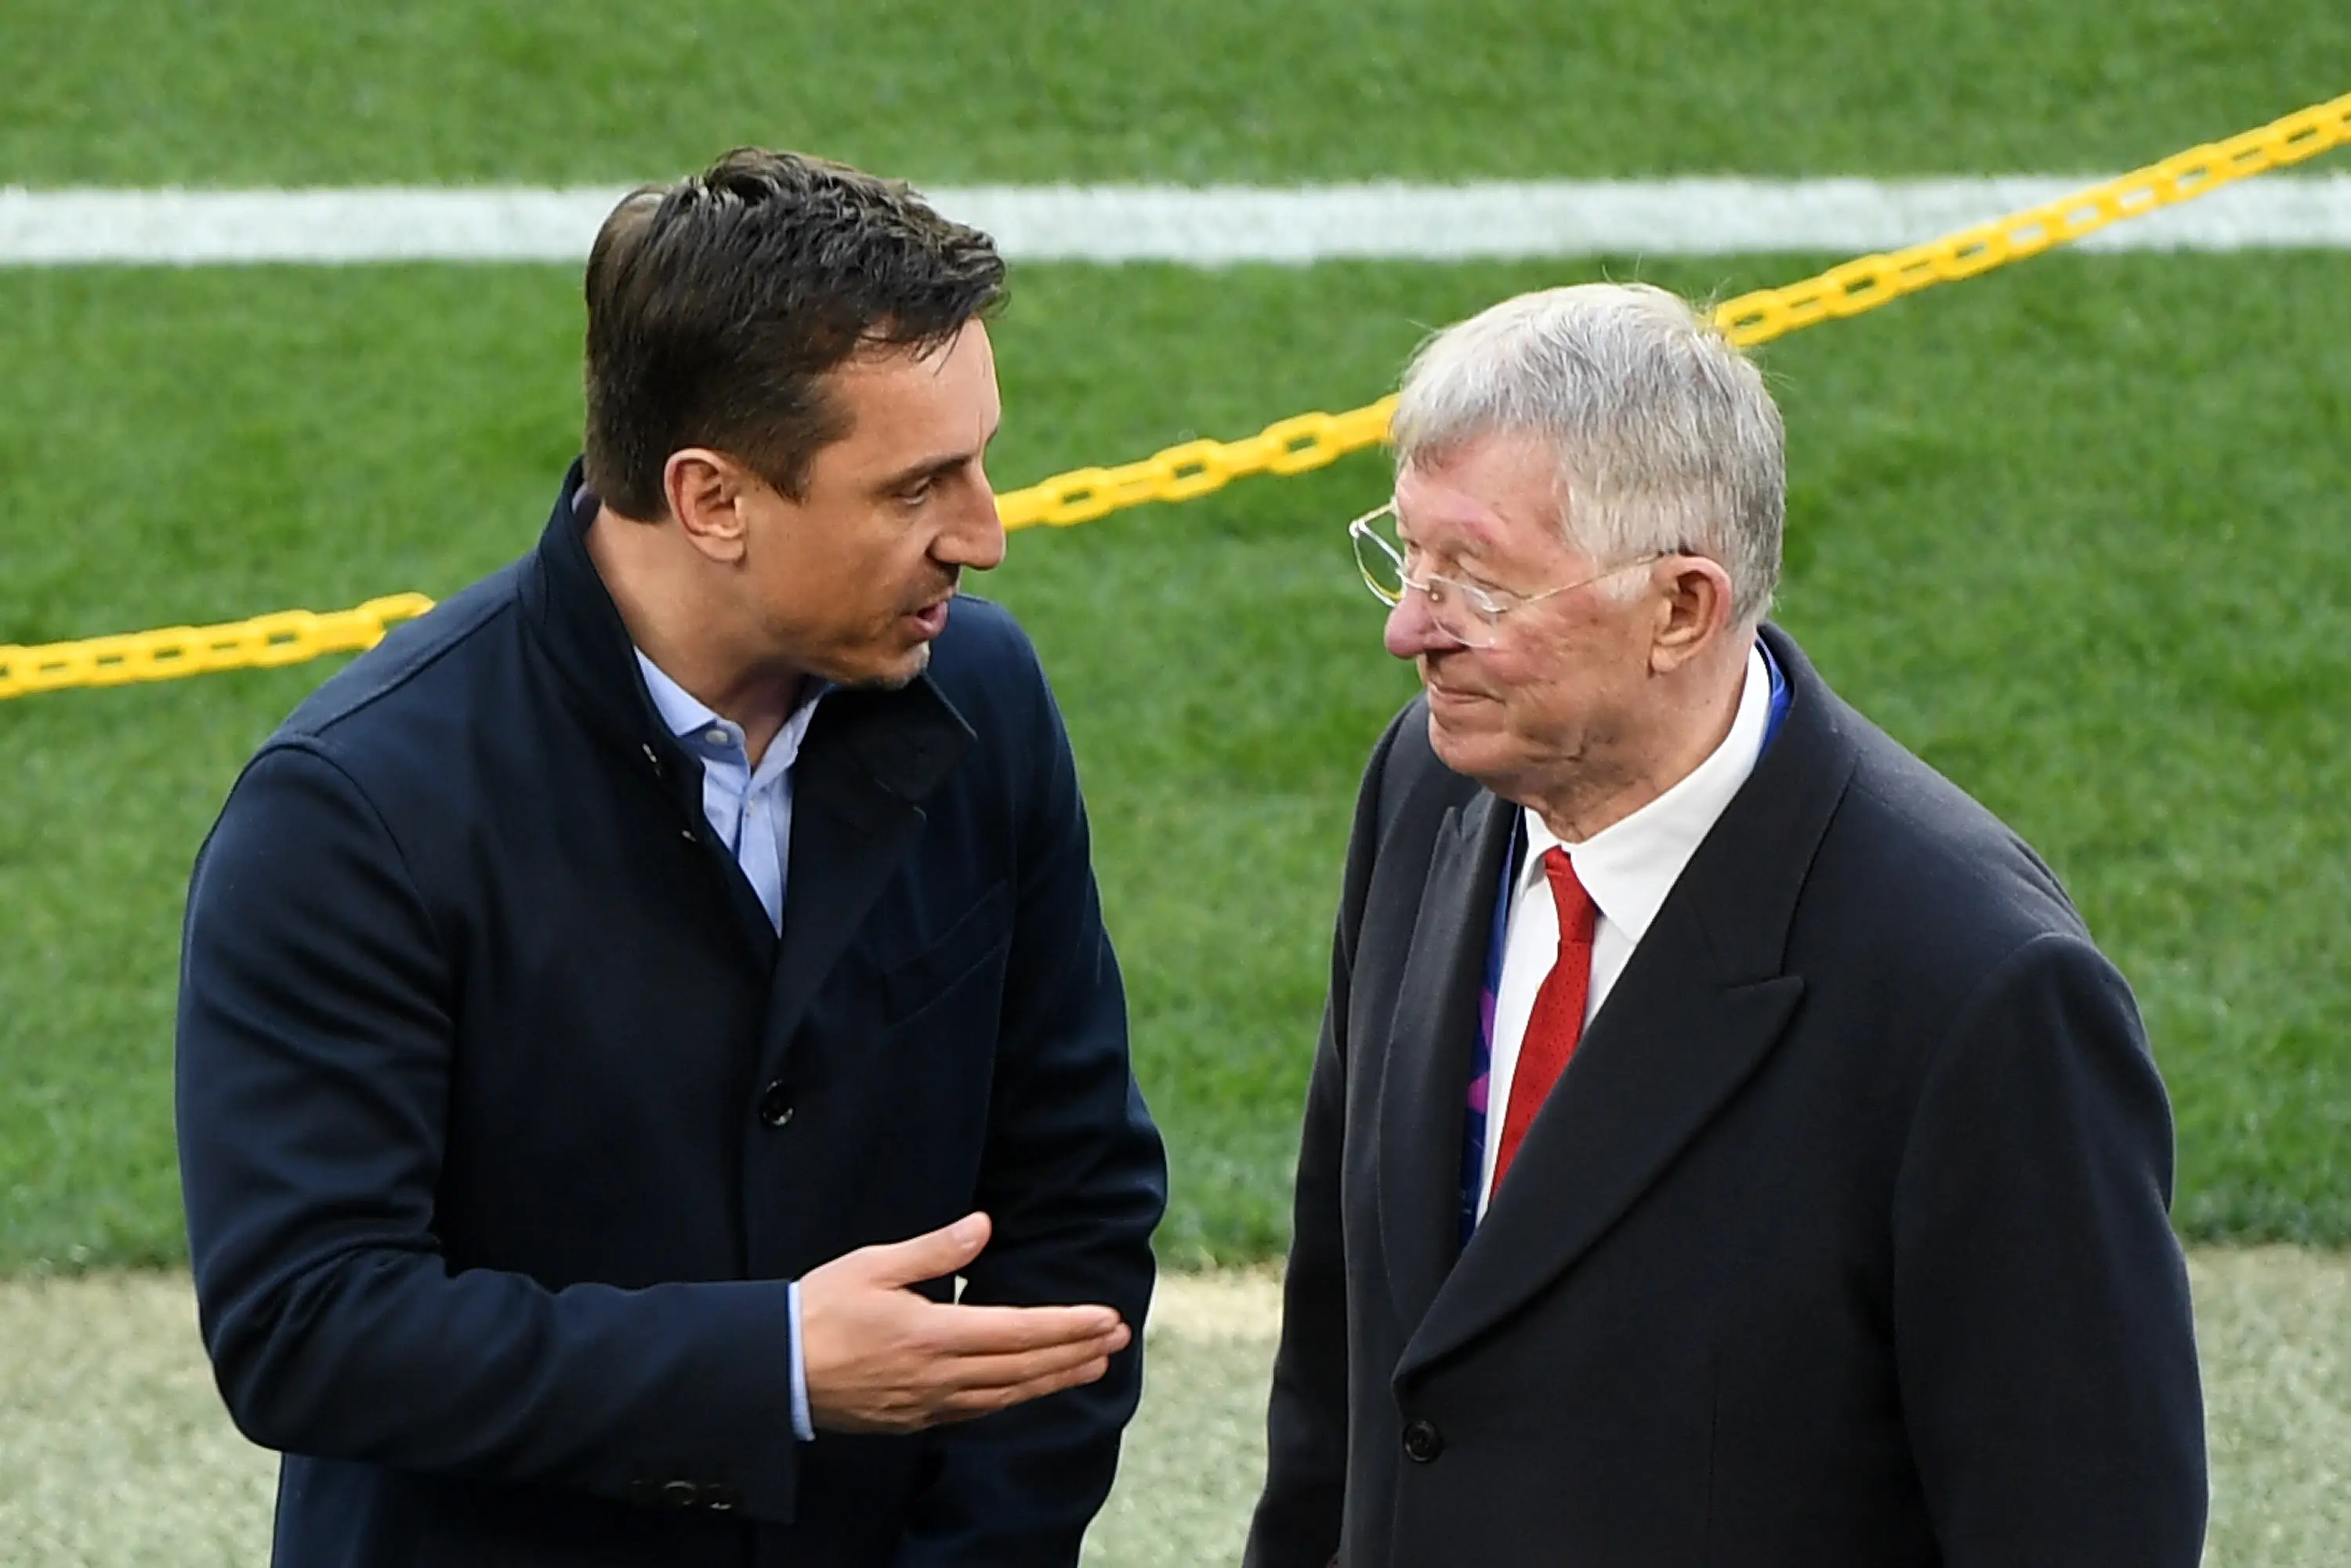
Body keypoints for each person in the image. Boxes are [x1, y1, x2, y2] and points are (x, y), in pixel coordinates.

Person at [176, 148, 1167, 1568]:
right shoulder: (351, 815)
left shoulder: (984, 707)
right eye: (917, 488)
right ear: (712, 500)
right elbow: (308, 1324)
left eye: (981, 460)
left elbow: (1076, 1204)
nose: (986, 535)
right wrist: (766, 1371)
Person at [1244, 282, 2206, 1566]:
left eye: (1477, 583)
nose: (1407, 628)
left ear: (1682, 608)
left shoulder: (1978, 989)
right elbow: (1345, 1363)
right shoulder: (1426, 792)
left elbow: (2082, 1523)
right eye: (1406, 556)